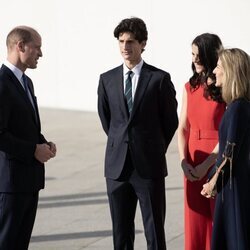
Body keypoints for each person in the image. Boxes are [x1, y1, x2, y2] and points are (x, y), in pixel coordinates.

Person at [97, 17, 178, 249]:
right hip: (116, 169)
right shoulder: (107, 79)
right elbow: (108, 121)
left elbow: (170, 121)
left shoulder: (160, 79)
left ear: (143, 43)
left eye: (131, 41)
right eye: (121, 41)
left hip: (148, 166)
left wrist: (152, 147)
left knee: (154, 232)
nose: (125, 46)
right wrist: (121, 143)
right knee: (121, 233)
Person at [0, 26, 56, 250]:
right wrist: (32, 150)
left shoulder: (26, 82)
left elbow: (25, 126)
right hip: (11, 184)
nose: (40, 54)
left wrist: (43, 143)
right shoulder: (2, 84)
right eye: (37, 47)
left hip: (29, 180)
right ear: (20, 46)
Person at [177, 33, 226, 250]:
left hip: (217, 159)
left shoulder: (225, 88)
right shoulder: (189, 87)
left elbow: (227, 133)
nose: (195, 60)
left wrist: (206, 167)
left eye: (199, 55)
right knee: (194, 223)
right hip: (192, 161)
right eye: (192, 54)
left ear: (211, 55)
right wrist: (183, 162)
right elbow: (182, 128)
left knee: (216, 221)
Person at [201, 48, 250, 250]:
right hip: (231, 185)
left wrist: (213, 183)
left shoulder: (238, 108)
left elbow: (230, 154)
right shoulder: (236, 106)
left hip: (234, 188)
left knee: (235, 239)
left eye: (218, 67)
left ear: (230, 71)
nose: (214, 70)